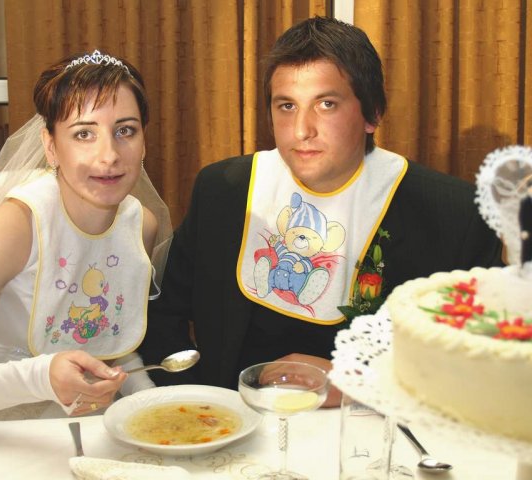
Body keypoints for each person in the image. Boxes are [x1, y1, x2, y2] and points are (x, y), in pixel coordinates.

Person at [138, 16, 503, 407]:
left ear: (373, 113)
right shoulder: (223, 190)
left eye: (326, 104)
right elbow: (162, 320)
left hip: (369, 429)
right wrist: (202, 407)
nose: (301, 130)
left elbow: (486, 362)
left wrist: (364, 384)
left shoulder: (454, 214)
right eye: (286, 106)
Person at [0, 50, 172, 419]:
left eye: (125, 130)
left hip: (77, 420)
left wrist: (144, 395)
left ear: (144, 141)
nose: (109, 155)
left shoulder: (141, 226)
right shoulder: (16, 225)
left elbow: (108, 336)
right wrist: (40, 378)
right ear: (50, 146)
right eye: (84, 133)